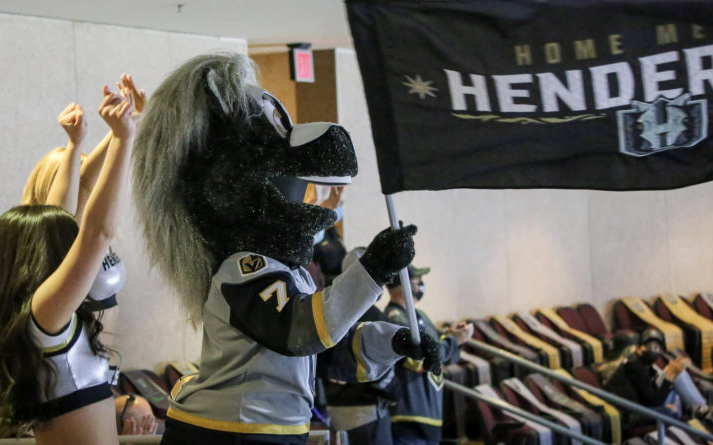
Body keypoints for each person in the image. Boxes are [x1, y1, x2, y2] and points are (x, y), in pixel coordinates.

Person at [131, 53, 440, 445]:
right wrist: (374, 268)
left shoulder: (291, 273)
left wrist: (395, 342)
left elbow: (332, 352)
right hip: (227, 430)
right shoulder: (242, 268)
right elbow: (299, 331)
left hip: (271, 430)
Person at [0, 85, 135, 444]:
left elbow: (67, 207)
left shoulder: (45, 313)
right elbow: (96, 233)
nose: (73, 246)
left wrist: (80, 144)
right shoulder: (45, 313)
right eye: (65, 240)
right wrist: (124, 139)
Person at [20, 74, 145, 375]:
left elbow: (88, 180)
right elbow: (78, 189)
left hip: (102, 369)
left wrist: (128, 124)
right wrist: (77, 144)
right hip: (71, 374)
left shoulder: (89, 232)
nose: (87, 190)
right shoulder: (53, 241)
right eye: (73, 184)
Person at [384, 265, 474, 445]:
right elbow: (424, 357)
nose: (420, 284)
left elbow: (444, 355)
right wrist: (454, 341)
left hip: (430, 412)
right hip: (410, 415)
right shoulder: (395, 319)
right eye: (416, 280)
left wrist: (454, 336)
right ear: (403, 285)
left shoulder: (419, 316)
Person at [318, 247, 397, 445]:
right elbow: (383, 375)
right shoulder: (373, 315)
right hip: (367, 413)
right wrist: (394, 393)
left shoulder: (328, 309)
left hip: (335, 411)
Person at [604, 329, 713, 429]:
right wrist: (669, 376)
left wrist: (672, 372)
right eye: (649, 346)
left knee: (679, 374)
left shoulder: (641, 362)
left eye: (656, 347)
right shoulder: (634, 365)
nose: (654, 350)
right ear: (639, 347)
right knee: (673, 395)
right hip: (634, 411)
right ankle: (699, 412)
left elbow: (650, 391)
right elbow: (652, 400)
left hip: (644, 402)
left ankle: (701, 409)